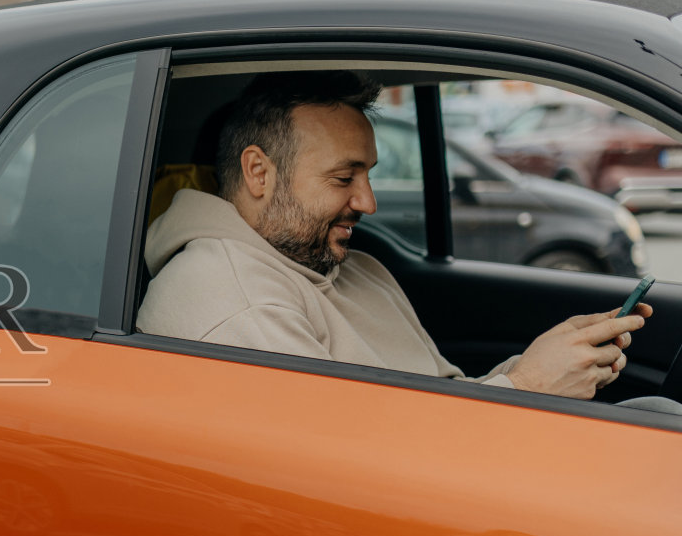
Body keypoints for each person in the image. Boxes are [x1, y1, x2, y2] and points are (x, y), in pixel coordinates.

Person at [136, 71, 651, 399]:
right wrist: (529, 386)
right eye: (344, 178)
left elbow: (441, 396)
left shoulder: (352, 268)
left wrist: (545, 365)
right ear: (258, 173)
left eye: (368, 175)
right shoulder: (233, 303)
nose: (368, 202)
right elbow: (359, 475)